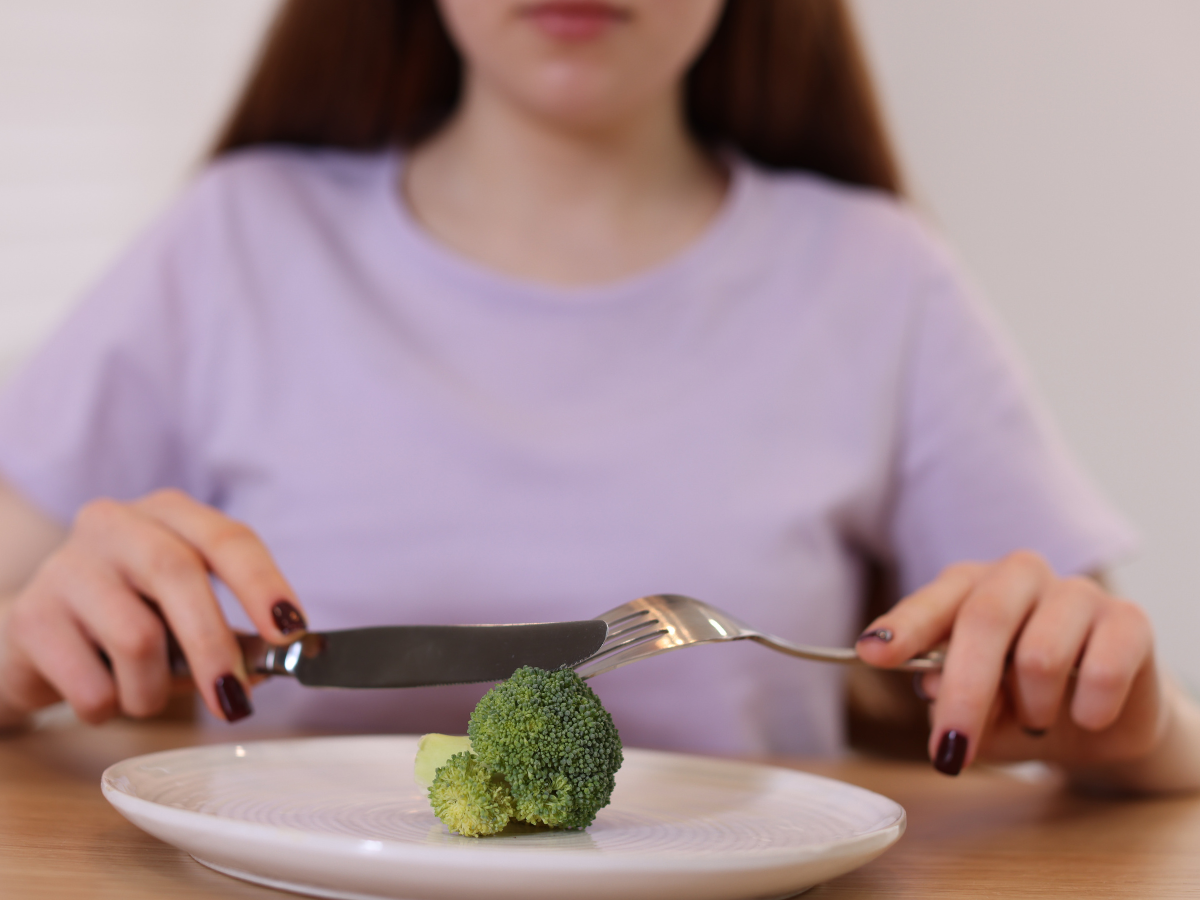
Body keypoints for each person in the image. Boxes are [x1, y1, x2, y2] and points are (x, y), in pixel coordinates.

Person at [0, 0, 1197, 790]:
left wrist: (1124, 713)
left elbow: (1120, 716)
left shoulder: (880, 277)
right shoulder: (234, 239)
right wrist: (21, 653)